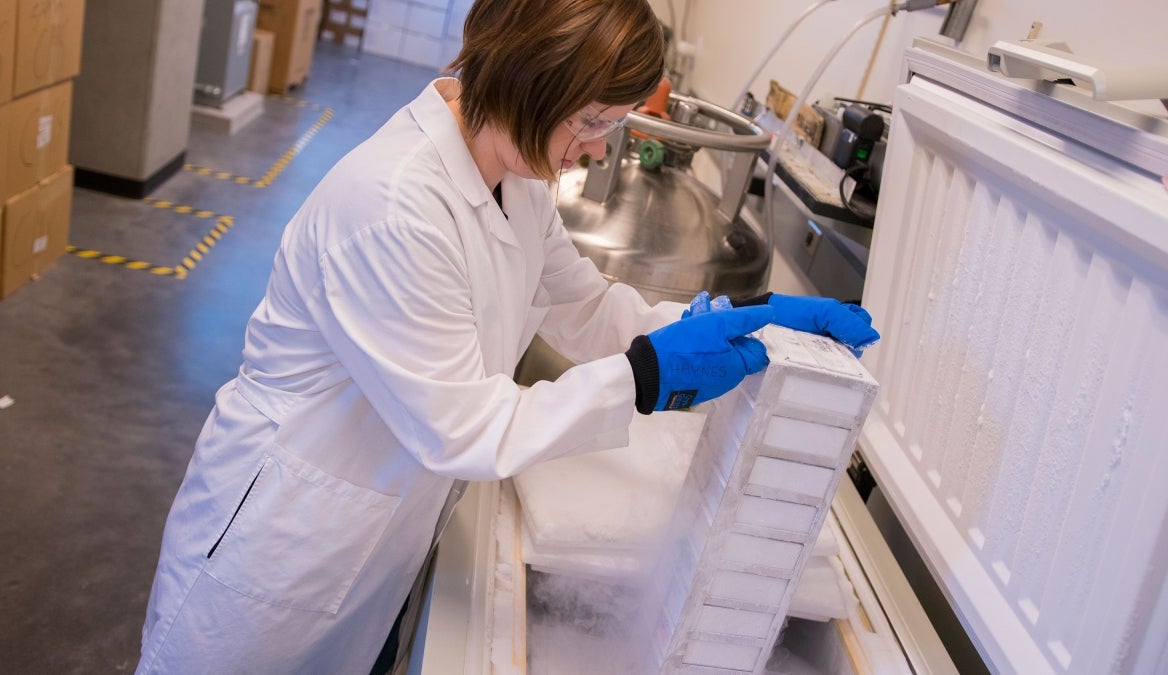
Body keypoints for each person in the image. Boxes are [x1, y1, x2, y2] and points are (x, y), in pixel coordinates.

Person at [135, 0, 879, 672]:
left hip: (374, 535)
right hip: (280, 552)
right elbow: (465, 424)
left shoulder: (512, 174)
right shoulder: (393, 206)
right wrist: (648, 376)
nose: (595, 149)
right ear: (528, 82)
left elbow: (580, 302)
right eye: (591, 121)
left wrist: (715, 327)